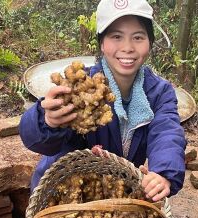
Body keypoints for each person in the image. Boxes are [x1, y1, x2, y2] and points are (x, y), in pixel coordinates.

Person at [20, 0, 186, 202]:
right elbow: (39, 142)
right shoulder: (79, 87)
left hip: (115, 193)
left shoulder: (160, 93)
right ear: (102, 43)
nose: (127, 47)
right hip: (62, 191)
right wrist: (47, 121)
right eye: (116, 36)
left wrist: (163, 172)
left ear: (150, 42)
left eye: (138, 37)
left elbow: (167, 132)